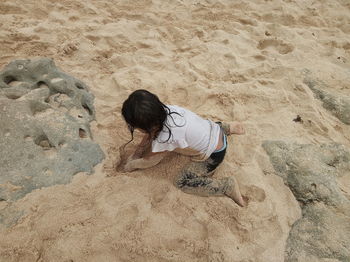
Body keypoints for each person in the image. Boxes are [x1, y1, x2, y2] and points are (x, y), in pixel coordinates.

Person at [120, 89, 246, 207]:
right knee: (197, 129)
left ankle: (226, 186)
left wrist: (131, 165)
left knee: (182, 182)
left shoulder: (166, 137)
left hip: (214, 153)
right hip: (214, 128)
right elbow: (150, 133)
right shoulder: (168, 110)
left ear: (147, 127)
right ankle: (228, 127)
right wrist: (137, 152)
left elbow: (150, 160)